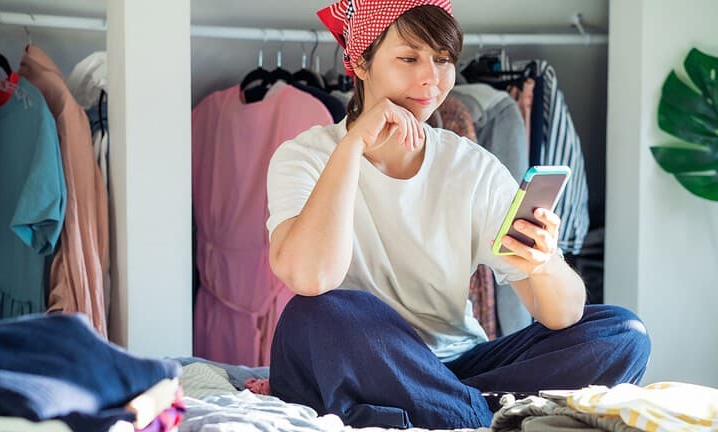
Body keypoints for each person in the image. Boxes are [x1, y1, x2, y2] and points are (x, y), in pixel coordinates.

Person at [264, 0, 651, 429]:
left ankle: (441, 407)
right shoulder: (305, 157)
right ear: (360, 61)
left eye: (443, 60)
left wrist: (541, 264)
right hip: (358, 354)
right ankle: (474, 413)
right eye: (409, 58)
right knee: (317, 313)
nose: (431, 77)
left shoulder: (471, 166)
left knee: (622, 334)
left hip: (457, 364)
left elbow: (563, 315)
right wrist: (352, 146)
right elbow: (310, 277)